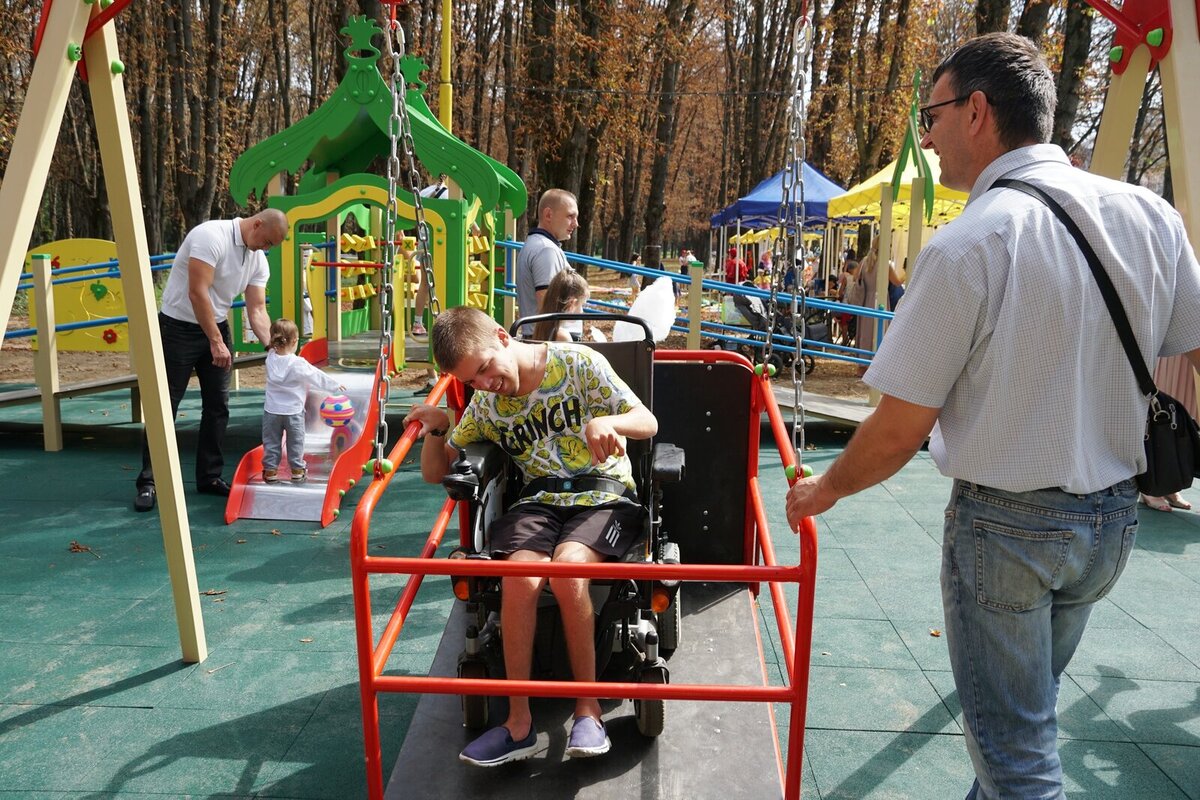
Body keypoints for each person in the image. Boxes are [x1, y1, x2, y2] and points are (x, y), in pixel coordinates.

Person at [784, 33, 1200, 799]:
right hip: (1112, 521)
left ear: (977, 111)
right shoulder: (1151, 216)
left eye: (933, 114)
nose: (929, 135)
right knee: (1017, 720)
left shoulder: (971, 242)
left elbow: (899, 428)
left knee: (1016, 756)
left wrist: (826, 489)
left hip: (1009, 529)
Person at [404, 306, 658, 767]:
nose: (484, 383)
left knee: (567, 571)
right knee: (517, 578)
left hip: (602, 494)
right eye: (471, 380)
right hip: (539, 501)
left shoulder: (579, 363)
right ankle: (518, 722)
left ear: (503, 337)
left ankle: (588, 708)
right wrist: (437, 428)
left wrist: (610, 423)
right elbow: (435, 473)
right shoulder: (486, 405)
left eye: (484, 369)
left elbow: (647, 420)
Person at [134, 209, 288, 512]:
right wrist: (215, 341)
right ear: (257, 224)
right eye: (266, 241)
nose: (265, 249)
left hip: (216, 325)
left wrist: (274, 346)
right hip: (177, 327)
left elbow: (256, 309)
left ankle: (209, 477)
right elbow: (197, 292)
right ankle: (148, 482)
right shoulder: (210, 237)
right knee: (166, 405)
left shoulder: (257, 258)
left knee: (218, 406)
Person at [261, 318, 344, 484]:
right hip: (293, 412)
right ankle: (297, 470)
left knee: (271, 442)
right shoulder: (297, 363)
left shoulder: (270, 358)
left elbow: (272, 349)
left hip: (271, 411)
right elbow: (315, 376)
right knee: (295, 442)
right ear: (294, 342)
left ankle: (270, 471)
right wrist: (334, 386)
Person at [516, 188, 578, 335]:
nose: (576, 224)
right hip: (552, 343)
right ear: (548, 214)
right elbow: (548, 307)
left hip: (545, 340)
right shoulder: (546, 250)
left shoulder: (539, 245)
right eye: (570, 216)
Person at [532, 268, 590, 342]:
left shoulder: (544, 327)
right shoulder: (562, 336)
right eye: (582, 305)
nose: (582, 311)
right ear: (572, 303)